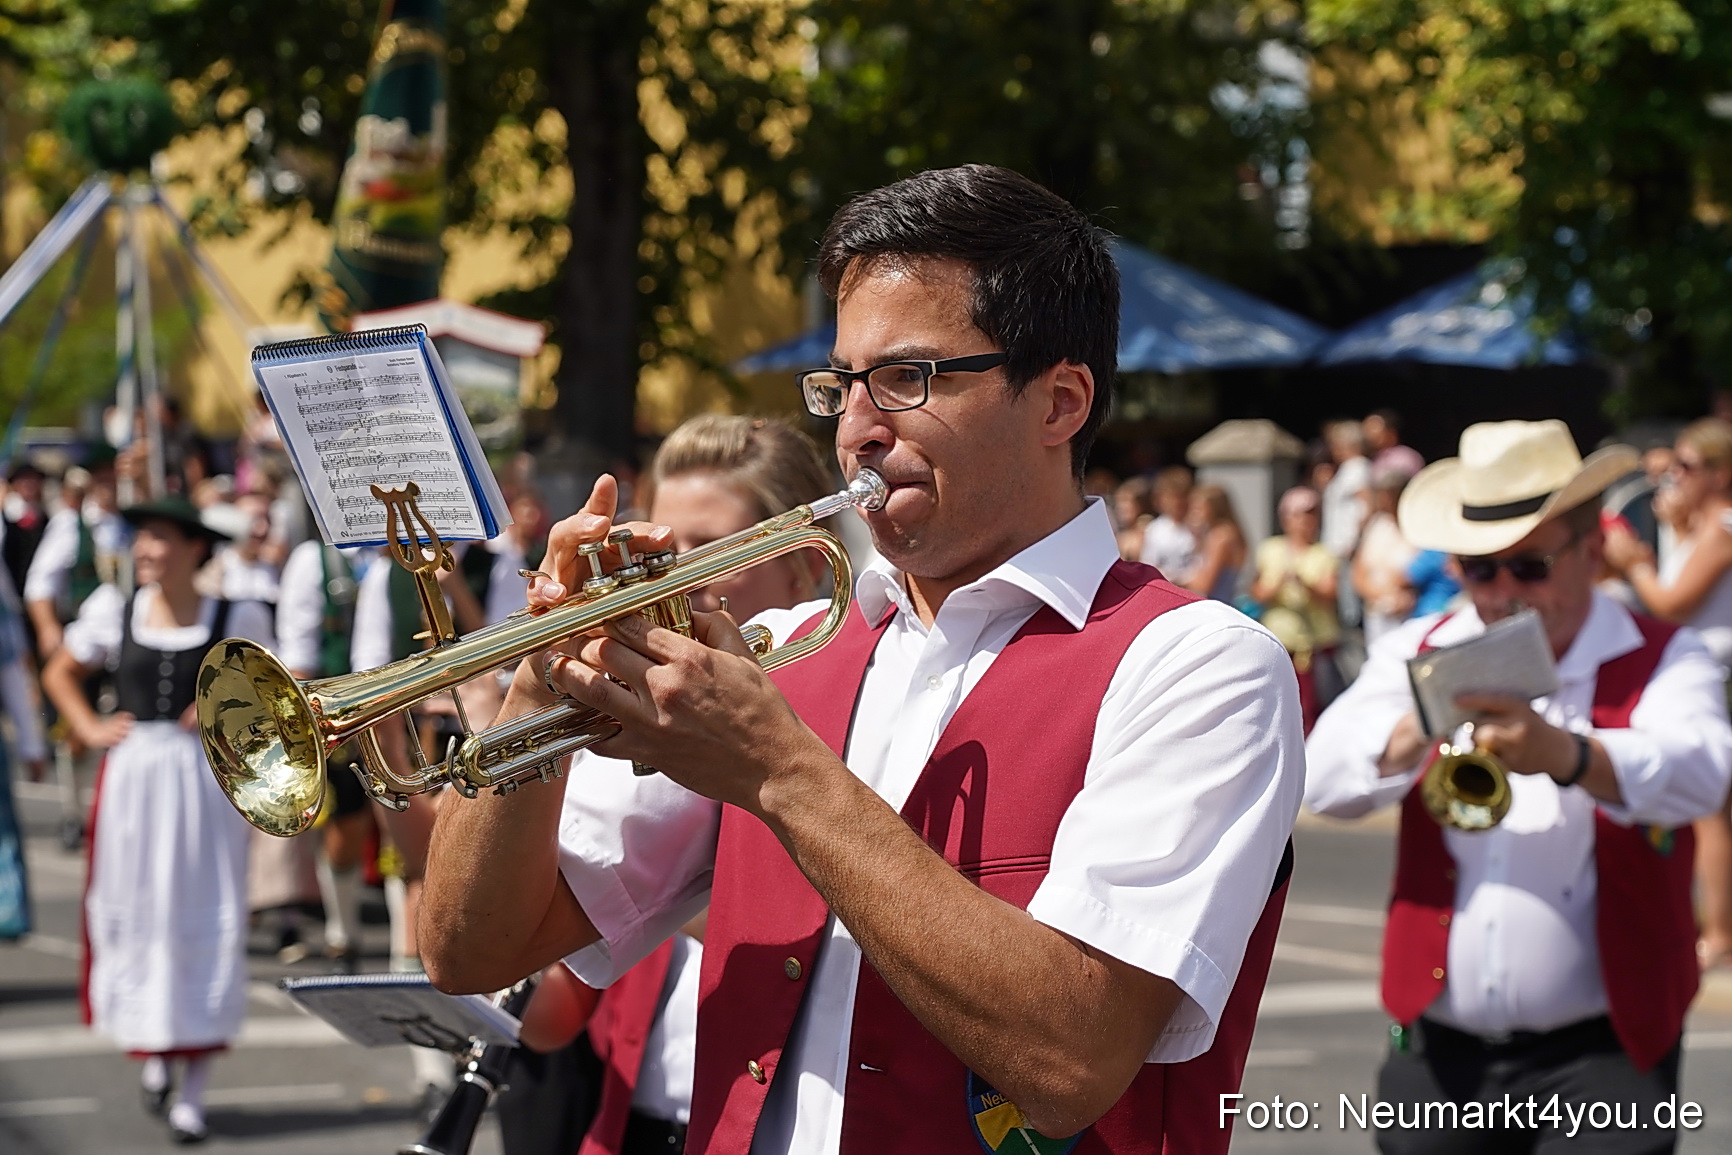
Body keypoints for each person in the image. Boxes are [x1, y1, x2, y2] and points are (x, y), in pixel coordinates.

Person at [420, 164, 1304, 1154]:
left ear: (1059, 404)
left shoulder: (1198, 665)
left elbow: (1071, 1061)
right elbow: (470, 950)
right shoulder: (785, 648)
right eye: (842, 384)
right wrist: (544, 670)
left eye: (908, 379)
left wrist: (780, 772)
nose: (853, 429)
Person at [1306, 419, 1732, 1155]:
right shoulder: (1421, 648)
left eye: (1529, 566)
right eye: (1480, 569)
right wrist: (1419, 722)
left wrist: (1567, 754)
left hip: (1609, 1052)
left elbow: (1701, 773)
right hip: (1441, 1054)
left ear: (1592, 550)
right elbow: (1322, 780)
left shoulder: (1666, 654)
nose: (1502, 592)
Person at [501, 413, 838, 1155]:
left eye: (704, 549)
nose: (666, 577)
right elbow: (509, 962)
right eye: (658, 547)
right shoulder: (634, 713)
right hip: (647, 1113)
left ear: (804, 564)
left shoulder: (846, 703)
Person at [40, 496, 276, 1144]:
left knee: (201, 911)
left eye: (159, 538)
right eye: (141, 537)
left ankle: (193, 1087)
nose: (144, 549)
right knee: (142, 910)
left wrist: (225, 707)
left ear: (195, 548)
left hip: (204, 780)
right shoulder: (114, 609)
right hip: (136, 778)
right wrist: (88, 726)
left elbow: (285, 686)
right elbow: (60, 670)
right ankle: (154, 1049)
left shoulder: (238, 612)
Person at [1602, 416, 1732, 970]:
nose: (1674, 476)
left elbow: (1672, 604)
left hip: (1718, 674)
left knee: (1709, 809)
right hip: (1699, 670)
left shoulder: (1724, 527)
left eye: (1688, 466)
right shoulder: (1701, 523)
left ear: (1721, 473)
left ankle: (1720, 931)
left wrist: (1636, 566)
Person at [1251, 486, 1342, 732]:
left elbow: (1331, 595)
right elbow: (1255, 592)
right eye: (1298, 514)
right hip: (1279, 639)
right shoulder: (1270, 549)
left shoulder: (1324, 554)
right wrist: (1276, 586)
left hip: (1313, 645)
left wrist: (1306, 585)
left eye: (1310, 514)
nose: (1304, 521)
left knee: (1310, 708)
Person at [24, 444, 126, 659]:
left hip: (129, 636)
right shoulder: (71, 524)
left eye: (113, 475)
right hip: (86, 636)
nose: (108, 482)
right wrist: (48, 627)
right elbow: (41, 581)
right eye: (101, 476)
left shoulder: (136, 523)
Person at [1180, 483, 1247, 604]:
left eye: (1199, 508)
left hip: (1221, 604)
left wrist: (1174, 580)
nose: (1194, 513)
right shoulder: (1222, 533)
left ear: (1214, 508)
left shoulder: (1221, 537)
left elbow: (1204, 584)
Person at [1137, 465, 1196, 580]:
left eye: (1182, 497)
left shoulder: (1200, 528)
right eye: (1171, 498)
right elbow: (1148, 565)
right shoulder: (1154, 530)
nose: (1177, 503)